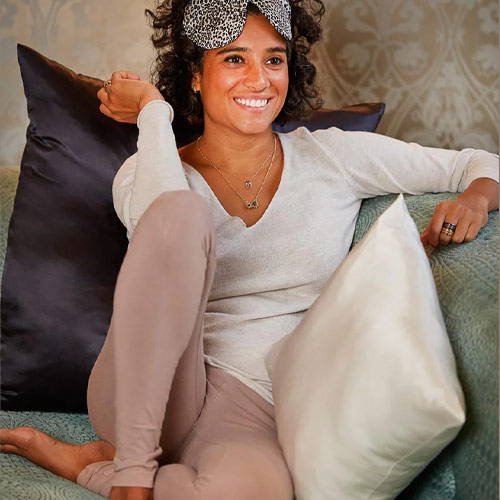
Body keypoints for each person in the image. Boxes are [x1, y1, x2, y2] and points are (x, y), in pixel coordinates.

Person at [1, 1, 498, 499]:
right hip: (151, 384)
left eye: (274, 59)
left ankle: (93, 465)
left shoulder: (334, 156)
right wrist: (153, 113)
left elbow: (477, 162)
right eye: (235, 59)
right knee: (182, 214)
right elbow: (162, 217)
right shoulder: (145, 171)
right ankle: (131, 469)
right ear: (196, 76)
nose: (259, 79)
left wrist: (476, 196)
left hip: (254, 401)